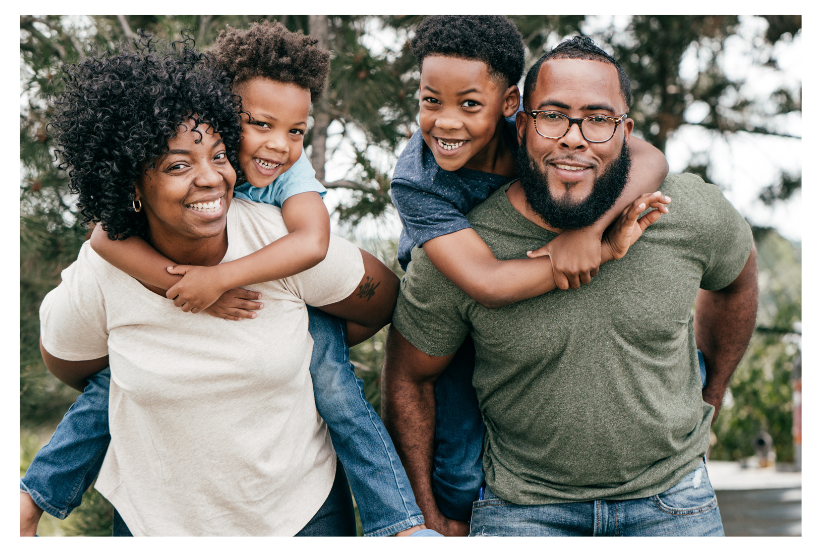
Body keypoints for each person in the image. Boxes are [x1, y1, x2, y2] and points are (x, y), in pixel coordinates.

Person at [20, 34, 399, 536]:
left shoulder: (275, 214)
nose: (211, 178)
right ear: (131, 182)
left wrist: (232, 287)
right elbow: (97, 256)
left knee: (332, 377)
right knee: (112, 386)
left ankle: (398, 522)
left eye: (218, 156)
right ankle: (30, 500)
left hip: (297, 512)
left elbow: (340, 265)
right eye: (178, 165)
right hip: (154, 519)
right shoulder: (108, 265)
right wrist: (180, 289)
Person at [382, 36, 758, 537]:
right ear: (521, 125)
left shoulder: (685, 211)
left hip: (675, 504)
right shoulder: (456, 245)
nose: (575, 138)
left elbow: (738, 280)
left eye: (598, 120)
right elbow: (408, 378)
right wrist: (425, 518)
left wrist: (712, 394)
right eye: (553, 116)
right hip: (521, 511)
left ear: (626, 130)